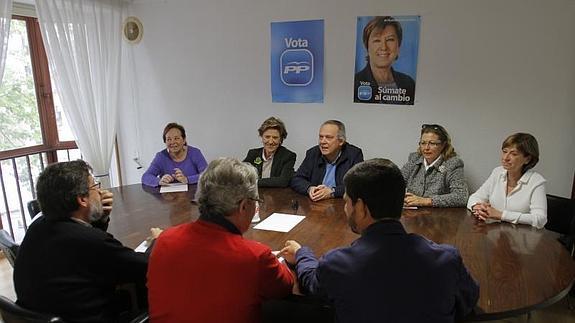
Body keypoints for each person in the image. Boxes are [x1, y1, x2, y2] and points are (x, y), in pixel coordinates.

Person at [281, 159, 479, 323]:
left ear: (360, 207)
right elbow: (469, 299)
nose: (345, 209)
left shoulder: (339, 263)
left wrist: (301, 254)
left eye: (347, 202)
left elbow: (312, 284)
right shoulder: (447, 258)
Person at [148, 158, 294, 323]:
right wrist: (288, 261)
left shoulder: (164, 240)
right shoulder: (255, 256)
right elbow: (284, 286)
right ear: (244, 206)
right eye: (256, 202)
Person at [14, 160, 161, 323]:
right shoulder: (90, 242)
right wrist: (158, 241)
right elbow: (146, 267)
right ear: (82, 200)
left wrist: (100, 217)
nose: (100, 192)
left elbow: (83, 251)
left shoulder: (37, 226)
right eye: (94, 187)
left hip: (45, 312)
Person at [468, 133, 547, 229]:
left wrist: (501, 215)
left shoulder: (536, 181)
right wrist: (478, 207)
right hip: (494, 234)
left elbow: (540, 219)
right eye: (505, 151)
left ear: (527, 159)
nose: (505, 158)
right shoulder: (497, 172)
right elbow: (474, 197)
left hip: (522, 238)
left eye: (513, 154)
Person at [401, 124, 469, 207]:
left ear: (443, 145)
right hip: (412, 215)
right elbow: (396, 183)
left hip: (439, 217)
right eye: (423, 143)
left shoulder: (453, 163)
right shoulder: (415, 159)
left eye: (432, 143)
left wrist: (427, 201)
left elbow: (461, 197)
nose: (426, 148)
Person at [354, 16, 415, 105]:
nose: (384, 47)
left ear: (398, 46)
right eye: (377, 40)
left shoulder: (408, 83)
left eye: (390, 40)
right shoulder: (356, 83)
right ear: (367, 47)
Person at [142, 122, 208, 186]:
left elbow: (207, 175)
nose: (173, 142)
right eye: (169, 139)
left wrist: (187, 179)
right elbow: (145, 177)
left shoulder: (195, 153)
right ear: (165, 142)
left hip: (194, 195)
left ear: (184, 140)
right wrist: (159, 181)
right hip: (168, 196)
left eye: (176, 138)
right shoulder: (161, 157)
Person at [243, 116, 297, 187]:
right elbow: (240, 174)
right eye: (267, 137)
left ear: (281, 139)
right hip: (254, 194)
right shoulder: (253, 154)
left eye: (275, 137)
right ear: (261, 137)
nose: (271, 142)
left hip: (277, 195)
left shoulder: (288, 156)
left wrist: (254, 182)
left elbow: (283, 181)